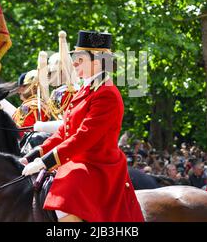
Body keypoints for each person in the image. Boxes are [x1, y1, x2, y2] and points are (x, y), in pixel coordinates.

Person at [19, 30, 144, 222]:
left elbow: (84, 137)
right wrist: (33, 155)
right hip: (77, 158)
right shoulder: (86, 89)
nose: (74, 64)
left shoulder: (106, 93)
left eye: (79, 59)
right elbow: (64, 131)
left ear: (96, 62)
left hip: (97, 164)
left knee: (64, 200)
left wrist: (46, 162)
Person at [11, 70, 49, 138]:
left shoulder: (30, 106)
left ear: (34, 88)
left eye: (24, 86)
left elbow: (23, 133)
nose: (19, 90)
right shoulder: (39, 104)